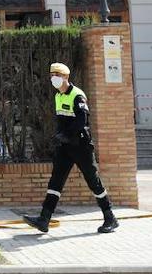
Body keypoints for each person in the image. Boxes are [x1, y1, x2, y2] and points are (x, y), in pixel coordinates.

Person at [22, 62, 118, 234]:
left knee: (93, 181)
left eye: (57, 75)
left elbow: (82, 121)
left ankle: (110, 217)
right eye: (52, 75)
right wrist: (59, 136)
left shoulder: (77, 95)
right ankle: (44, 219)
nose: (54, 79)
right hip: (65, 147)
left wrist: (66, 134)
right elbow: (62, 120)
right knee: (55, 181)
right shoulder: (58, 95)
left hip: (81, 146)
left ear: (66, 77)